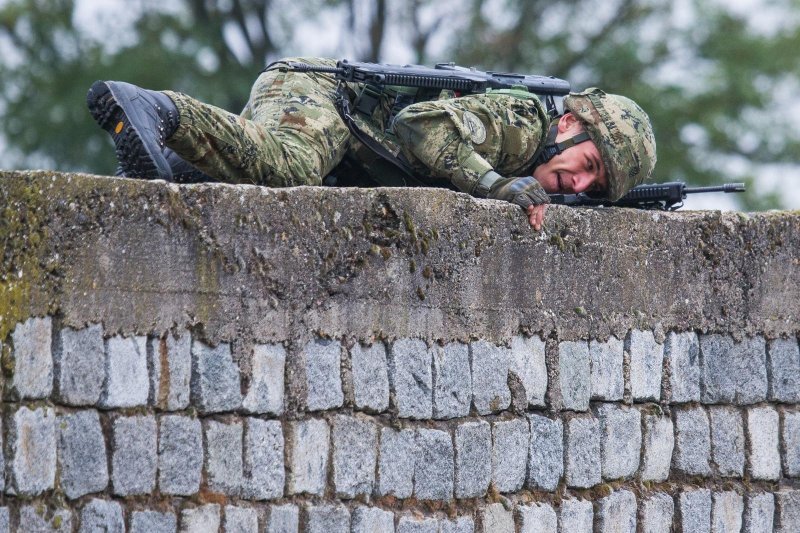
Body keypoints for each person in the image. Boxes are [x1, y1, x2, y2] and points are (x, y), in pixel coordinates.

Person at [86, 57, 656, 230]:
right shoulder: (521, 123)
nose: (579, 184)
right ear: (568, 127)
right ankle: (151, 108)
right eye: (587, 165)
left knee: (211, 190)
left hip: (346, 146)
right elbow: (422, 127)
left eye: (594, 187)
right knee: (289, 166)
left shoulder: (543, 158)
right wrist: (500, 186)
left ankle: (171, 163)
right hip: (322, 96)